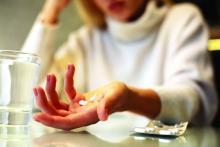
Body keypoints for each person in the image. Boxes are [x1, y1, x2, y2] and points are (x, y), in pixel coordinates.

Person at [22, 0, 218, 133]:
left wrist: (129, 98)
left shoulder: (181, 19)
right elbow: (27, 96)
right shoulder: (87, 39)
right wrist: (50, 12)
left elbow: (196, 101)